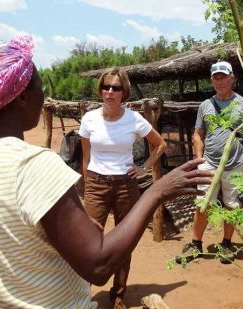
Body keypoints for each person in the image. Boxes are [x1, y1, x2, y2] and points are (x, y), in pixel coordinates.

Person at [0, 35, 212, 308]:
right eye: (39, 87)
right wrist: (157, 191)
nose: (44, 96)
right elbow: (98, 264)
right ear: (21, 98)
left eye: (116, 88)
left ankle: (119, 293)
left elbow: (17, 244)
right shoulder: (32, 165)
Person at [79, 67, 168, 309]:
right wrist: (87, 183)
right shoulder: (89, 119)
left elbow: (160, 145)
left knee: (123, 241)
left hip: (125, 186)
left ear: (123, 92)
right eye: (106, 87)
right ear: (100, 90)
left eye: (115, 88)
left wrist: (144, 168)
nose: (110, 92)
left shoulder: (134, 119)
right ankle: (79, 294)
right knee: (87, 241)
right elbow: (85, 158)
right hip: (96, 184)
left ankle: (118, 294)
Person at [176, 60, 243, 265]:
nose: (219, 81)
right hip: (209, 163)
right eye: (216, 77)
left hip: (236, 164)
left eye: (223, 76)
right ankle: (196, 244)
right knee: (203, 204)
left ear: (232, 78)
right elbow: (198, 134)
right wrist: (198, 160)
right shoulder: (205, 105)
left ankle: (227, 245)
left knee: (232, 205)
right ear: (211, 80)